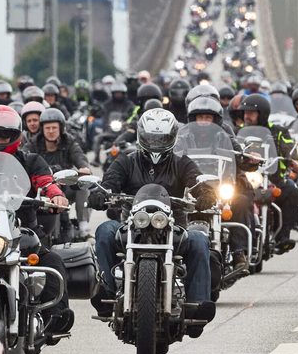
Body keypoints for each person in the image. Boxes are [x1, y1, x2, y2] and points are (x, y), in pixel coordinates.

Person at [89, 109, 215, 336]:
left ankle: (197, 305)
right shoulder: (126, 161)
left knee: (198, 239)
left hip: (173, 228)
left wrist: (205, 193)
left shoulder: (182, 163)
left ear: (172, 137)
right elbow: (110, 181)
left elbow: (197, 181)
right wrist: (101, 193)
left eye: (162, 138)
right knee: (105, 230)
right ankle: (107, 292)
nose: (156, 143)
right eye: (151, 138)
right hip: (131, 227)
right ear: (141, 136)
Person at [0, 106, 74, 337]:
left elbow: (46, 181)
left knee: (52, 261)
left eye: (5, 135)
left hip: (22, 228)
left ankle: (56, 317)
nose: (0, 139)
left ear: (15, 134)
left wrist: (55, 194)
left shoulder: (30, 160)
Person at [184, 97, 251, 278]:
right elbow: (174, 155)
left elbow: (237, 153)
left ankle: (239, 252)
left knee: (241, 201)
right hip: (192, 189)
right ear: (193, 119)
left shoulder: (224, 136)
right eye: (200, 117)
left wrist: (245, 157)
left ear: (216, 120)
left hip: (219, 186)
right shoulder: (183, 137)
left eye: (208, 117)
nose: (204, 122)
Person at [240, 94, 298, 253]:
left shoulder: (278, 132)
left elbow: (289, 149)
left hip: (273, 177)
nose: (247, 116)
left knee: (293, 192)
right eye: (245, 113)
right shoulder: (238, 133)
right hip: (247, 179)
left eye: (251, 113)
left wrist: (291, 159)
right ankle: (238, 245)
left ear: (262, 114)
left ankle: (283, 237)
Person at [24, 108, 92, 240]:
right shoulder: (32, 144)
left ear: (61, 129)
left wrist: (84, 168)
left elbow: (79, 156)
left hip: (66, 185)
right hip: (42, 190)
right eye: (47, 128)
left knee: (83, 186)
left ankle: (83, 225)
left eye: (54, 128)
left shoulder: (69, 141)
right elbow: (24, 157)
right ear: (42, 129)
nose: (50, 131)